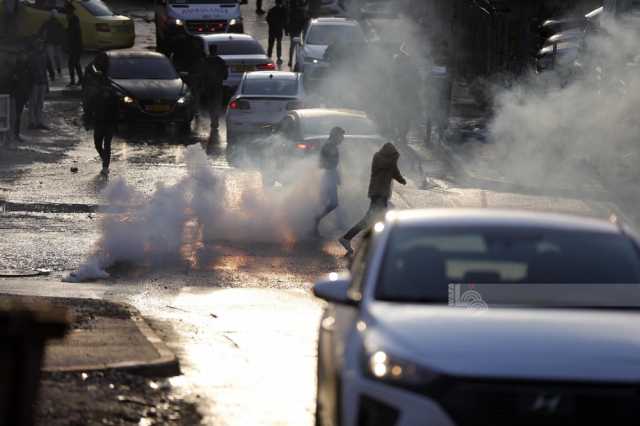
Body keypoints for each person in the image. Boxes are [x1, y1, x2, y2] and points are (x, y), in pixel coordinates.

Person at [339, 142, 407, 255]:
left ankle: (371, 245)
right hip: (378, 194)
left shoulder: (390, 161)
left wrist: (401, 180)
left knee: (377, 220)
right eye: (393, 154)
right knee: (371, 220)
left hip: (382, 194)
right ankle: (348, 239)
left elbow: (394, 171)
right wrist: (395, 158)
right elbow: (387, 165)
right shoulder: (379, 158)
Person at [313, 126, 344, 236]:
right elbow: (322, 163)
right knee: (333, 203)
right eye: (341, 136)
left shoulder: (331, 145)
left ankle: (315, 226)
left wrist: (336, 175)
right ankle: (315, 221)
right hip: (328, 178)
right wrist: (332, 173)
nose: (342, 139)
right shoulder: (329, 146)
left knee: (326, 203)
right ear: (335, 135)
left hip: (329, 177)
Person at [89, 66, 119, 176]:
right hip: (98, 122)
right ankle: (105, 159)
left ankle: (105, 166)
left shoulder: (110, 92)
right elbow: (90, 106)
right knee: (97, 145)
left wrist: (115, 122)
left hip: (108, 123)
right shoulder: (95, 93)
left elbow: (116, 107)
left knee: (107, 145)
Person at [196, 44, 228, 133]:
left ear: (209, 50)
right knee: (217, 103)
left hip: (208, 85)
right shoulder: (220, 61)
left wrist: (201, 84)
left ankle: (213, 120)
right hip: (218, 85)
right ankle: (215, 120)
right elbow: (225, 75)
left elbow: (201, 74)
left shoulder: (205, 61)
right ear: (216, 50)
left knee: (210, 103)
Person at [9, 50, 34, 142]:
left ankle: (15, 134)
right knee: (14, 116)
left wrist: (28, 94)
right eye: (23, 55)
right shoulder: (16, 67)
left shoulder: (27, 66)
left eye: (25, 55)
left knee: (17, 116)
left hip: (22, 94)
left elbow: (30, 81)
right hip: (16, 94)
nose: (24, 56)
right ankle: (13, 134)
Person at [28, 37, 49, 130]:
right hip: (34, 82)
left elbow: (45, 70)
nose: (40, 46)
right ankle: (33, 122)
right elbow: (29, 71)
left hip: (41, 81)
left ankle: (38, 121)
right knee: (33, 102)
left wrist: (47, 84)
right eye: (38, 45)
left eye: (41, 45)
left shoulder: (44, 55)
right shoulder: (32, 56)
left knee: (39, 103)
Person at [39, 10, 65, 81]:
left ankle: (53, 74)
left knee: (51, 59)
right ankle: (59, 72)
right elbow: (63, 33)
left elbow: (40, 31)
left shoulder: (47, 22)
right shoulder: (59, 23)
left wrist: (42, 39)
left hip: (50, 43)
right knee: (58, 58)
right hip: (57, 43)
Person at [65, 2, 83, 86]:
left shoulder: (74, 22)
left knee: (73, 64)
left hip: (76, 47)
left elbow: (73, 35)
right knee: (74, 64)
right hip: (75, 47)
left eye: (67, 13)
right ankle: (79, 80)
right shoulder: (72, 21)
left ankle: (77, 80)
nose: (66, 16)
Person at [266, 0, 287, 65]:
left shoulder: (271, 10)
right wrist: (285, 29)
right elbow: (285, 20)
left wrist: (271, 25)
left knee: (271, 44)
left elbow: (267, 19)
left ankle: (269, 56)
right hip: (279, 30)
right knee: (278, 43)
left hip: (272, 30)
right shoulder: (283, 11)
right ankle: (278, 56)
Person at [287, 0, 306, 68]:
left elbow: (288, 21)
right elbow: (303, 21)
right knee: (296, 46)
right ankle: (292, 61)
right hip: (296, 30)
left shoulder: (293, 11)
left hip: (295, 30)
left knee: (293, 46)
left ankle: (291, 61)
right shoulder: (298, 11)